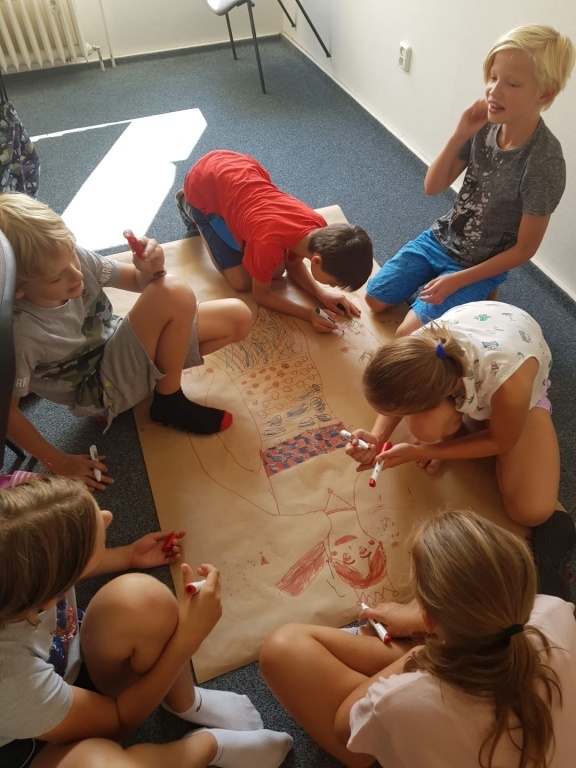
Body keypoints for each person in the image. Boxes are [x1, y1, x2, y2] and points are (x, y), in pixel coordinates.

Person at [0, 475, 294, 768]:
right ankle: (207, 747)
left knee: (144, 599)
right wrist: (186, 640)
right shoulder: (12, 683)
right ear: (48, 594)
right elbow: (117, 722)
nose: (107, 516)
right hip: (30, 738)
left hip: (60, 668)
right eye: (92, 542)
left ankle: (185, 701)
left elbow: (44, 559)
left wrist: (127, 555)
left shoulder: (13, 563)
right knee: (99, 763)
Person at [260, 508, 576, 767]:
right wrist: (420, 622)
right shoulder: (556, 611)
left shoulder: (403, 700)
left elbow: (344, 727)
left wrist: (418, 655)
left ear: (430, 619)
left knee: (281, 648)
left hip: (401, 719)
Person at [0, 192, 254, 490]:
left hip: (119, 348)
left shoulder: (71, 260)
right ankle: (168, 400)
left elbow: (140, 281)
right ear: (17, 289)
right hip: (100, 391)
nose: (75, 273)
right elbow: (7, 414)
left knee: (237, 317)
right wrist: (59, 462)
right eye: (56, 278)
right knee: (173, 293)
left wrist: (152, 267)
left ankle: (155, 386)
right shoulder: (20, 334)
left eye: (70, 253)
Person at [343, 300, 575, 600]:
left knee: (531, 510)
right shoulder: (420, 353)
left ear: (435, 399)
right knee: (426, 430)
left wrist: (426, 451)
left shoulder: (510, 383)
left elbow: (501, 441)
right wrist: (377, 437)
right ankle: (469, 418)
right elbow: (398, 400)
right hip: (483, 347)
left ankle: (526, 412)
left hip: (514, 372)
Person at [365, 24, 575, 336]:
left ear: (544, 94)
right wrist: (459, 134)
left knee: (406, 335)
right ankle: (456, 297)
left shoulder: (544, 161)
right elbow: (432, 187)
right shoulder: (485, 123)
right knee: (374, 299)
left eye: (512, 84)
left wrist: (457, 280)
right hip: (441, 238)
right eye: (493, 77)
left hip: (479, 263)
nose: (493, 91)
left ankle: (480, 290)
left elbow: (525, 249)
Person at [176, 150, 374, 332]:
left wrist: (321, 295)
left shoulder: (318, 227)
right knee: (241, 282)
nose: (331, 287)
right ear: (316, 261)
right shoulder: (267, 245)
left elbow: (294, 266)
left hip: (238, 169)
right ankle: (190, 208)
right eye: (331, 283)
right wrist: (309, 314)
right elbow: (261, 295)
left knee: (275, 270)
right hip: (203, 183)